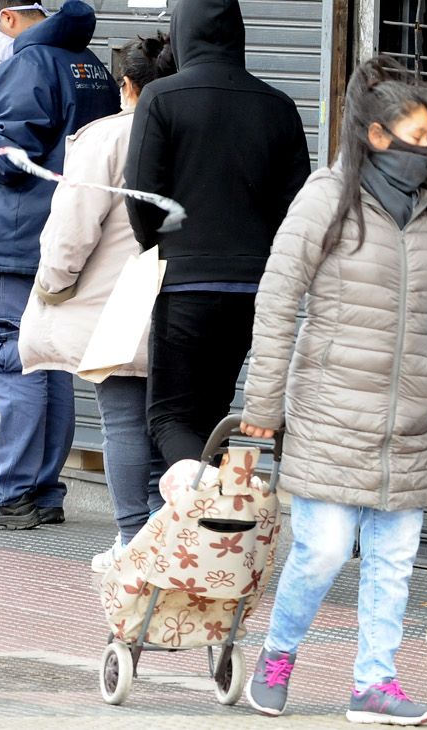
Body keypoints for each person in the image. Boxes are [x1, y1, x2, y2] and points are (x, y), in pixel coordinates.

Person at [238, 56, 427, 726]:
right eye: (417, 135)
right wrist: (262, 407)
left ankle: (375, 685)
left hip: (408, 424)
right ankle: (278, 654)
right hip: (331, 413)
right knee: (325, 552)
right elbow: (278, 300)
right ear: (376, 136)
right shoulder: (325, 196)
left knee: (393, 563)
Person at [0, 0, 119, 531]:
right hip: (65, 235)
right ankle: (42, 490)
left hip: (19, 236)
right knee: (50, 362)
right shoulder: (90, 64)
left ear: (7, 18)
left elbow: (12, 163)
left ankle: (9, 492)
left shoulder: (26, 62)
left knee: (10, 357)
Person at [124, 0, 310, 467]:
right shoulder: (279, 105)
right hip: (254, 288)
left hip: (185, 281)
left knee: (169, 418)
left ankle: (204, 517)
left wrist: (159, 248)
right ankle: (211, 528)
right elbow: (299, 208)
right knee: (211, 414)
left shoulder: (162, 97)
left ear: (182, 33)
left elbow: (141, 196)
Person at [16, 33, 175, 568]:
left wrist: (52, 285)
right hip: (186, 295)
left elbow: (71, 227)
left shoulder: (108, 137)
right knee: (170, 424)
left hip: (122, 298)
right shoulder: (195, 128)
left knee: (124, 422)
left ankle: (133, 539)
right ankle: (165, 531)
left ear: (126, 85)